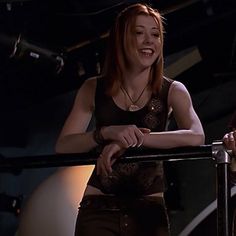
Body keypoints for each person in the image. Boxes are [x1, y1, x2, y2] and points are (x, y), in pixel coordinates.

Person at [55, 3, 205, 236]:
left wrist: (130, 141)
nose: (149, 41)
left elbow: (196, 136)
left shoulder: (174, 90)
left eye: (155, 34)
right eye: (138, 32)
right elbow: (63, 145)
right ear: (121, 39)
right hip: (98, 209)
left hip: (148, 212)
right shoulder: (92, 87)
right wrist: (106, 132)